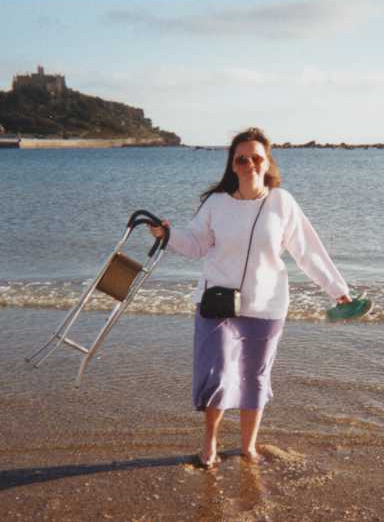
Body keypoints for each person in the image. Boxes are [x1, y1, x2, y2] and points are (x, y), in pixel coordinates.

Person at [150, 127, 351, 468]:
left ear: (267, 162)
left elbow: (308, 252)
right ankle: (210, 443)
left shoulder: (281, 202)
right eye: (241, 159)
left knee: (254, 377)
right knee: (215, 374)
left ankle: (248, 447)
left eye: (256, 158)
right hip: (217, 303)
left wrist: (339, 290)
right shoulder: (216, 204)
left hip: (267, 305)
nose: (249, 164)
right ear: (232, 165)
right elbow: (196, 244)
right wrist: (167, 234)